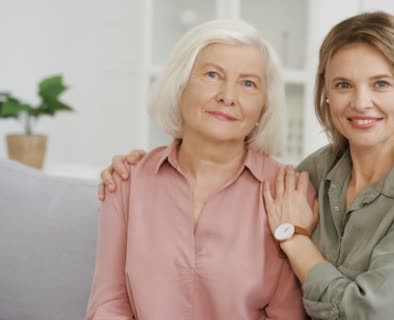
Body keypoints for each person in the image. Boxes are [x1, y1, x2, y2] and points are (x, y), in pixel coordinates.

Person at [99, 11, 394, 320]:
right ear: (325, 94)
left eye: (380, 84)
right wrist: (133, 169)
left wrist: (293, 238)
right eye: (343, 85)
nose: (361, 102)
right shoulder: (308, 176)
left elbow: (372, 313)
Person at [85, 19, 307, 320]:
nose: (228, 96)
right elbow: (108, 304)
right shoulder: (127, 182)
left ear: (264, 106)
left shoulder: (289, 191)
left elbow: (288, 314)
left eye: (248, 83)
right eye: (213, 75)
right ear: (180, 83)